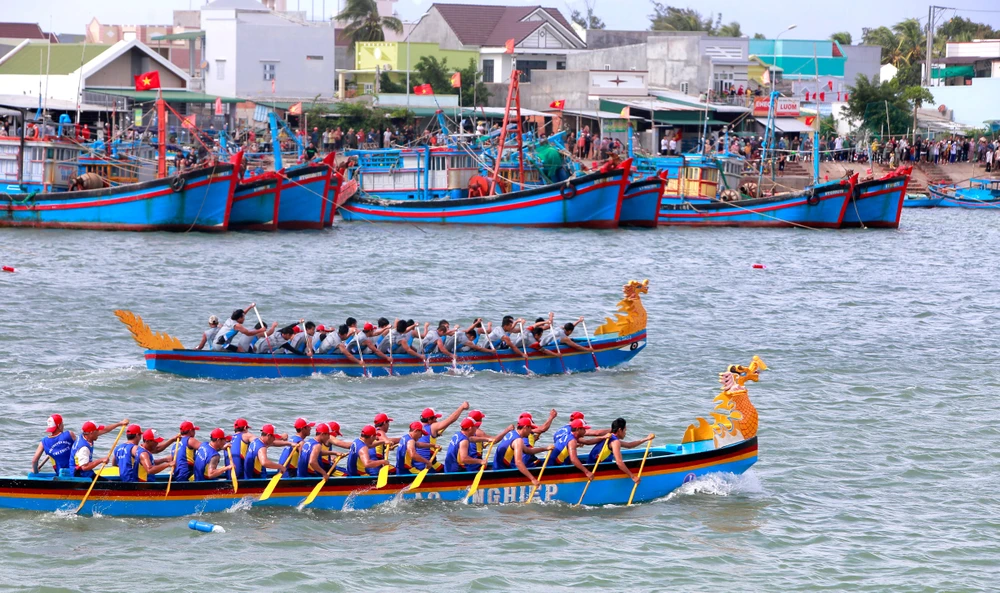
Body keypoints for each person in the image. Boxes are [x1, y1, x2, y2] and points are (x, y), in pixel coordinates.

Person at [586, 418, 655, 484]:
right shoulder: (615, 442)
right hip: (595, 469)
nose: (625, 433)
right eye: (625, 430)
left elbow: (629, 445)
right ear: (620, 430)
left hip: (591, 465)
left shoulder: (609, 436)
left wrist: (646, 439)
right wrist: (633, 476)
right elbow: (619, 462)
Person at [492, 417, 552, 486]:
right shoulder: (518, 441)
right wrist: (533, 479)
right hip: (503, 472)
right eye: (530, 428)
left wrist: (545, 448)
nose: (531, 431)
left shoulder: (511, 433)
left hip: (496, 467)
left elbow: (528, 451)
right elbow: (518, 463)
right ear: (525, 427)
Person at [415, 403, 469, 472]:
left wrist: (437, 434)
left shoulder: (418, 428)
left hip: (421, 462)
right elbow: (451, 420)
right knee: (448, 472)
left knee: (444, 469)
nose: (436, 420)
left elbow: (427, 437)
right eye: (435, 418)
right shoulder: (433, 427)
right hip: (427, 464)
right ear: (429, 419)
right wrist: (462, 407)